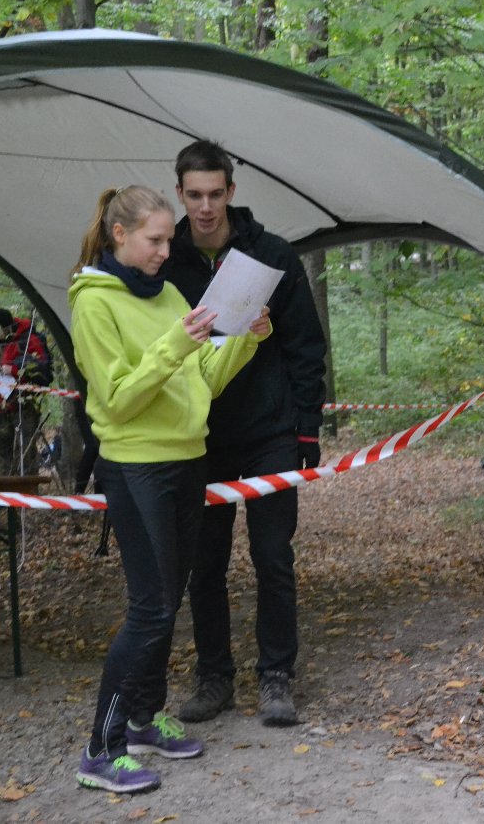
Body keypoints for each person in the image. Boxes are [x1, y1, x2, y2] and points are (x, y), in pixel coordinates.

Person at [69, 185, 270, 794]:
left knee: (169, 599)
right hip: (137, 467)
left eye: (167, 239)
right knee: (150, 608)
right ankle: (100, 750)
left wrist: (245, 337)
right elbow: (117, 400)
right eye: (155, 240)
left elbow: (204, 378)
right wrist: (175, 343)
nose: (165, 250)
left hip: (188, 460)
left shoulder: (170, 294)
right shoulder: (93, 304)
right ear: (119, 235)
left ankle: (142, 720)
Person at [161, 140, 327, 727]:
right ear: (180, 194)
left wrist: (307, 432)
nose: (205, 207)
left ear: (231, 192)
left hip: (270, 433)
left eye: (215, 194)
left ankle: (276, 676)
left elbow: (306, 347)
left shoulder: (272, 255)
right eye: (194, 195)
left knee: (272, 557)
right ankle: (214, 678)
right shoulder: (163, 261)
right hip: (197, 436)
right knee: (203, 565)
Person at [0, 309, 51, 473]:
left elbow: (41, 368)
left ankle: (28, 486)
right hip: (1, 406)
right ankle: (7, 486)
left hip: (25, 405)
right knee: (3, 452)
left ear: (6, 327)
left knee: (25, 452)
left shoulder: (28, 339)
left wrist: (14, 369)